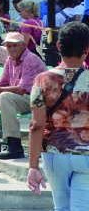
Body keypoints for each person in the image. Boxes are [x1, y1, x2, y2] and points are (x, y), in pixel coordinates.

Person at [27, 21, 89, 210]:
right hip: (86, 154)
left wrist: (33, 166)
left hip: (55, 154)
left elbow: (36, 125)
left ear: (59, 46)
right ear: (86, 49)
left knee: (61, 207)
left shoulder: (42, 80)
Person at [0, 31, 47, 159]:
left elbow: (21, 89)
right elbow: (1, 83)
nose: (11, 49)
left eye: (15, 45)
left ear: (23, 45)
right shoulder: (10, 59)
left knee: (5, 96)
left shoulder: (30, 59)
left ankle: (14, 145)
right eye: (8, 46)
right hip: (20, 98)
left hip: (36, 100)